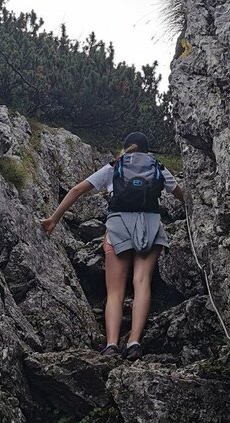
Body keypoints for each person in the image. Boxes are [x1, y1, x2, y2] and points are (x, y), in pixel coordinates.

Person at [42, 132, 185, 359]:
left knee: (115, 291)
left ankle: (111, 344)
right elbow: (182, 196)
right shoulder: (158, 167)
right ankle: (134, 342)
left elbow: (77, 190)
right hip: (150, 225)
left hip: (118, 226)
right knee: (142, 282)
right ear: (147, 151)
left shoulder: (114, 166)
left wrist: (54, 219)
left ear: (126, 147)